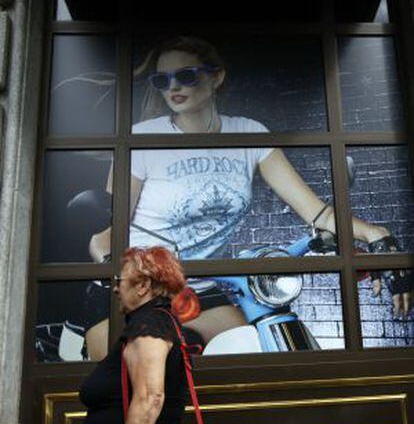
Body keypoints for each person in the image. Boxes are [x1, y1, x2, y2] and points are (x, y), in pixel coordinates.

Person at [87, 35, 411, 354]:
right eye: (163, 80)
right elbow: (109, 234)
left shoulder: (249, 134)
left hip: (200, 288)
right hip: (138, 287)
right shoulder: (142, 140)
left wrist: (377, 235)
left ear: (217, 77)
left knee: (249, 354)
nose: (173, 87)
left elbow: (317, 213)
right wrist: (117, 270)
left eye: (185, 76)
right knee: (135, 373)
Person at [76, 246, 195, 424]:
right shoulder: (151, 324)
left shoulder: (150, 325)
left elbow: (150, 397)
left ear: (143, 286)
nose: (115, 288)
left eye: (120, 280)